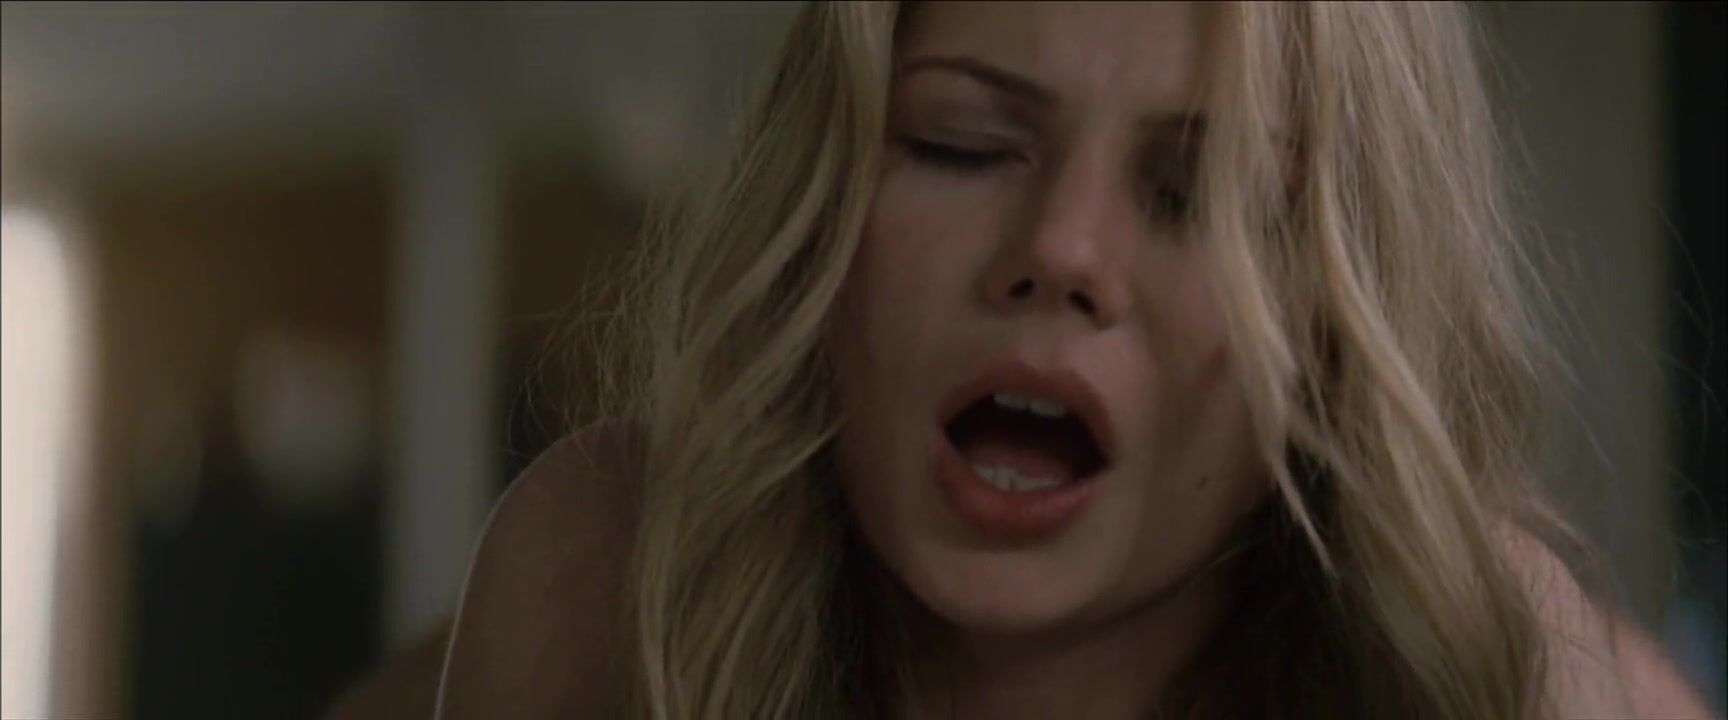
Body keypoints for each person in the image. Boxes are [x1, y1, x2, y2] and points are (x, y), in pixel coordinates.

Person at [334, 2, 1718, 718]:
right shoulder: (602, 589)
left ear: (1337, 321)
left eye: (1193, 194)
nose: (1060, 249)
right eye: (964, 143)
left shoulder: (1519, 677)